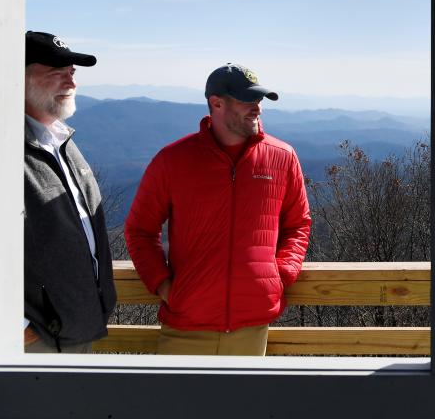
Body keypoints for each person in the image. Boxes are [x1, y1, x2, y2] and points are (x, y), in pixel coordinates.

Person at [124, 63, 311, 356]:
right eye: (247, 100)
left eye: (259, 100)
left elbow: (298, 224)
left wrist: (280, 275)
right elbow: (140, 230)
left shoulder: (282, 158)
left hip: (252, 325)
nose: (257, 108)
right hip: (187, 324)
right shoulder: (173, 160)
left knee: (244, 404)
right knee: (177, 404)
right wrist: (164, 287)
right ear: (216, 103)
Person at [24, 31, 117, 353]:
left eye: (72, 74)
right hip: (33, 339)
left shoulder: (62, 141)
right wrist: (16, 326)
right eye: (56, 74)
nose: (71, 83)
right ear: (17, 78)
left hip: (78, 326)